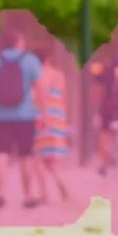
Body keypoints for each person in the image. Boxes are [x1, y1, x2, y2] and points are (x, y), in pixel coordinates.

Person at [0, 24, 44, 209]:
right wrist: (41, 111)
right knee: (26, 155)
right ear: (19, 42)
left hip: (0, 116)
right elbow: (39, 88)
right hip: (25, 115)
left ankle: (1, 193)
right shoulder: (30, 60)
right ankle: (28, 195)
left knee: (1, 153)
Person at [30, 49, 75, 204]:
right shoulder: (59, 75)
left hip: (42, 116)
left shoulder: (37, 75)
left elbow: (38, 96)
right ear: (48, 59)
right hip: (57, 117)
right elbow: (63, 97)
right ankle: (63, 187)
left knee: (38, 159)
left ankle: (45, 194)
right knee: (52, 161)